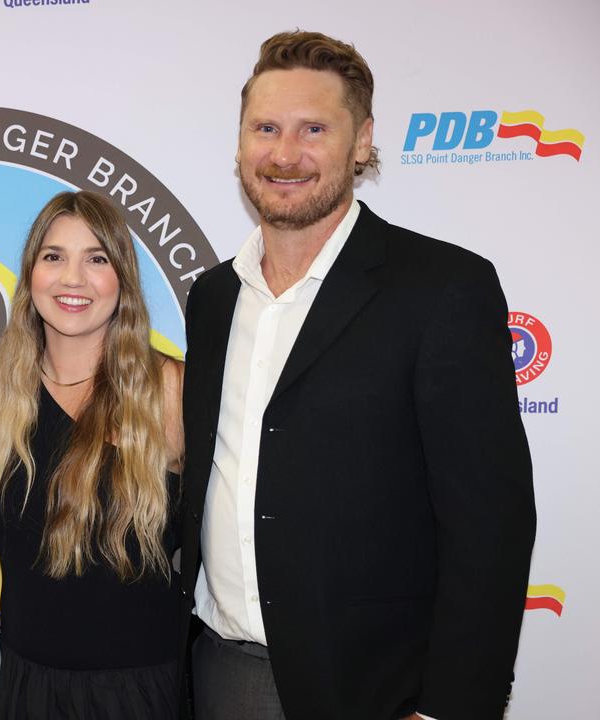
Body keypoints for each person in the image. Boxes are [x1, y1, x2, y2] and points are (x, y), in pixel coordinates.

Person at [180, 31, 537, 720]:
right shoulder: (215, 296)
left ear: (363, 141)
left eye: (314, 128)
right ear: (239, 144)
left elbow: (490, 526)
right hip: (219, 673)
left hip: (376, 689)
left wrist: (447, 707)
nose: (285, 154)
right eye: (266, 128)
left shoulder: (442, 289)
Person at [0, 191, 186, 719]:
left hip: (143, 694)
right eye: (54, 256)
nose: (72, 279)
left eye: (97, 259)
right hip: (24, 689)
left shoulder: (170, 392)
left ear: (122, 280)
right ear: (31, 273)